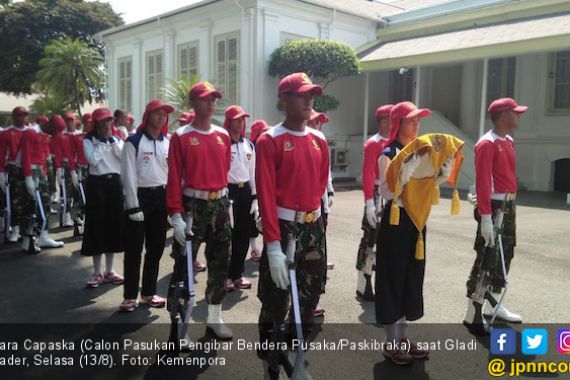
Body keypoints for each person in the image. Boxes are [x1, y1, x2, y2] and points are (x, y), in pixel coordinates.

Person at [256, 73, 329, 365]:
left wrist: (318, 224)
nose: (308, 99)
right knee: (276, 295)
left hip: (313, 226)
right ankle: (269, 342)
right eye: (301, 95)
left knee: (310, 292)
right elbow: (266, 197)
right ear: (284, 99)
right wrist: (272, 246)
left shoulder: (319, 140)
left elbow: (320, 186)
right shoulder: (269, 140)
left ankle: (290, 346)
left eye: (310, 94)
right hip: (284, 227)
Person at [166, 81, 233, 340]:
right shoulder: (181, 136)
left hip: (219, 205)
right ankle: (178, 328)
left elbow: (223, 169)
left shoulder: (223, 135)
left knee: (220, 264)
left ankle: (214, 318)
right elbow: (173, 178)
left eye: (214, 98)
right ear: (193, 103)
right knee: (184, 268)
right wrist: (176, 215)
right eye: (205, 99)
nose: (211, 103)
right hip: (193, 207)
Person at [375, 101, 431, 365]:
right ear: (398, 124)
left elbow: (427, 185)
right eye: (411, 120)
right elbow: (386, 192)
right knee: (394, 278)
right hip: (396, 220)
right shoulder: (387, 153)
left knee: (411, 277)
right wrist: (406, 167)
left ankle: (403, 337)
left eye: (418, 120)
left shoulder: (422, 150)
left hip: (416, 222)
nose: (416, 124)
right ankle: (391, 342)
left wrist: (438, 173)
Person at [463, 98, 526, 328]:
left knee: (504, 255)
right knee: (486, 257)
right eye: (514, 112)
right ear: (501, 115)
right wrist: (486, 217)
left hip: (508, 205)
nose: (519, 115)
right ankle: (473, 310)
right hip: (494, 207)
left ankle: (492, 304)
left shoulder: (508, 140)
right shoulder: (486, 143)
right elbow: (482, 182)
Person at [119, 99, 172, 312]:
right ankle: (130, 295)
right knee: (134, 248)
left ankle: (148, 292)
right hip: (140, 197)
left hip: (161, 197)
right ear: (147, 115)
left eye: (165, 114)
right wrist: (132, 206)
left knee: (156, 247)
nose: (162, 117)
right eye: (158, 113)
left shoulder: (168, 141)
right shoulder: (134, 141)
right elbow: (128, 175)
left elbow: (173, 174)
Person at [80, 108, 125, 289]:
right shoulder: (88, 140)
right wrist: (104, 142)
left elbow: (123, 158)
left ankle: (110, 270)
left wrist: (112, 141)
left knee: (113, 225)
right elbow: (93, 160)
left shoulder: (117, 140)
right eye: (103, 121)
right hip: (97, 184)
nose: (107, 124)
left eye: (109, 121)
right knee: (97, 225)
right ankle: (96, 271)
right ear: (96, 124)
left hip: (114, 183)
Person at [356, 104, 393, 301]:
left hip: (394, 196)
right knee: (371, 242)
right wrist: (369, 201)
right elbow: (368, 173)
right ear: (384, 121)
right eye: (391, 118)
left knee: (388, 244)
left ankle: (382, 282)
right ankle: (364, 280)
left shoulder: (397, 142)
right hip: (378, 195)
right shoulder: (374, 143)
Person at [223, 105, 258, 292]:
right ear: (229, 121)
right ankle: (225, 276)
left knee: (243, 235)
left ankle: (237, 274)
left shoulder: (249, 145)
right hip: (228, 193)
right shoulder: (222, 144)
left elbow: (253, 174)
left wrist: (255, 197)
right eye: (237, 119)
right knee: (227, 237)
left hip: (245, 193)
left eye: (243, 119)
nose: (241, 122)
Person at [20, 115, 64, 251]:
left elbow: (44, 156)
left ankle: (43, 236)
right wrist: (28, 177)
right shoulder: (31, 132)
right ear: (49, 125)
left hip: (41, 172)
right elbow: (25, 155)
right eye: (54, 131)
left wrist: (44, 173)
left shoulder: (44, 134)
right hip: (31, 171)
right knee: (30, 206)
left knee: (44, 204)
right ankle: (27, 241)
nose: (54, 135)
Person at [306, 109, 334, 318]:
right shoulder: (304, 142)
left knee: (318, 255)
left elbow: (327, 174)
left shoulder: (320, 141)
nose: (319, 125)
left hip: (320, 206)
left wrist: (329, 194)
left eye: (321, 122)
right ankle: (302, 303)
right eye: (316, 121)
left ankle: (313, 299)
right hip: (306, 209)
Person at [247, 120, 270, 262]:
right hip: (253, 190)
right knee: (253, 221)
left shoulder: (269, 148)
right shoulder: (251, 149)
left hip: (267, 190)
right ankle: (254, 249)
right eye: (264, 132)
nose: (267, 134)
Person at [53, 112, 79, 228]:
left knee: (78, 192)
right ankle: (65, 217)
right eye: (67, 120)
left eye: (71, 120)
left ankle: (78, 217)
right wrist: (58, 169)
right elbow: (58, 153)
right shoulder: (61, 136)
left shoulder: (80, 135)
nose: (69, 123)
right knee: (66, 193)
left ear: (75, 121)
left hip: (78, 165)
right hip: (66, 165)